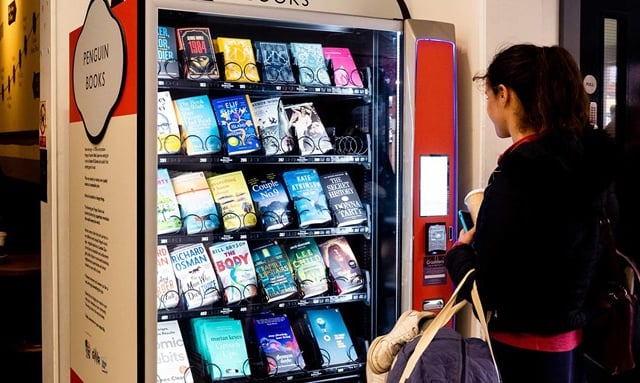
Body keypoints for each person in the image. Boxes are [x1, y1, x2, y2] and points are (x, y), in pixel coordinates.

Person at [445, 44, 616, 383]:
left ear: (505, 95)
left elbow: (489, 291)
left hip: (520, 355)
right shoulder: (587, 167)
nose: (489, 108)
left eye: (489, 97)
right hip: (574, 348)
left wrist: (459, 254)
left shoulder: (516, 179)